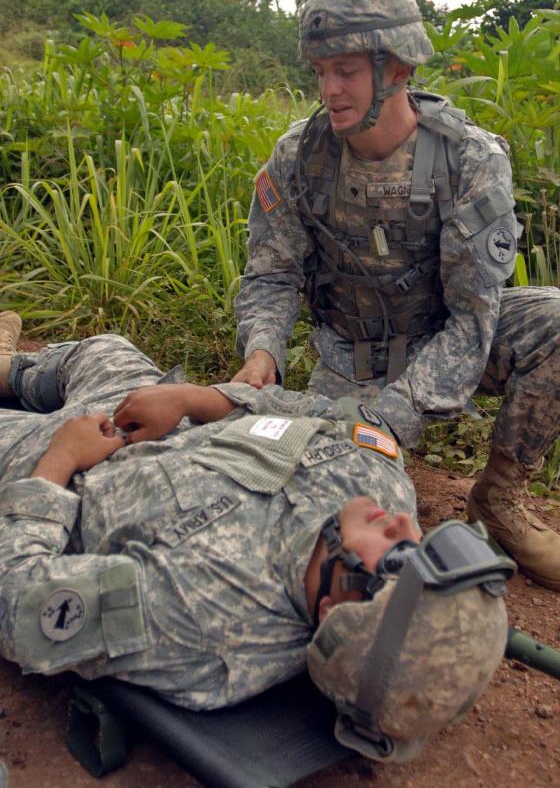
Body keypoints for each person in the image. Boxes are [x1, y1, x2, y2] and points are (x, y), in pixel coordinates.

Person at [233, 0, 560, 594]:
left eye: (346, 70)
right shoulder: (300, 154)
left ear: (398, 68)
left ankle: (498, 502)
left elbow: (471, 320)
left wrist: (393, 416)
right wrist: (262, 351)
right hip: (349, 358)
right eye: (321, 70)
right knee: (338, 529)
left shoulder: (468, 160)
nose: (328, 89)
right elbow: (272, 271)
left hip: (442, 341)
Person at [0, 314, 510, 762]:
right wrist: (190, 398)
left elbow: (20, 601)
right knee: (105, 349)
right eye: (425, 541)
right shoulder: (379, 479)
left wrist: (59, 459)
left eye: (400, 557)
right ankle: (10, 366)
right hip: (151, 420)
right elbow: (314, 413)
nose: (403, 525)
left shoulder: (205, 622)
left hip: (47, 474)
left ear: (335, 608)